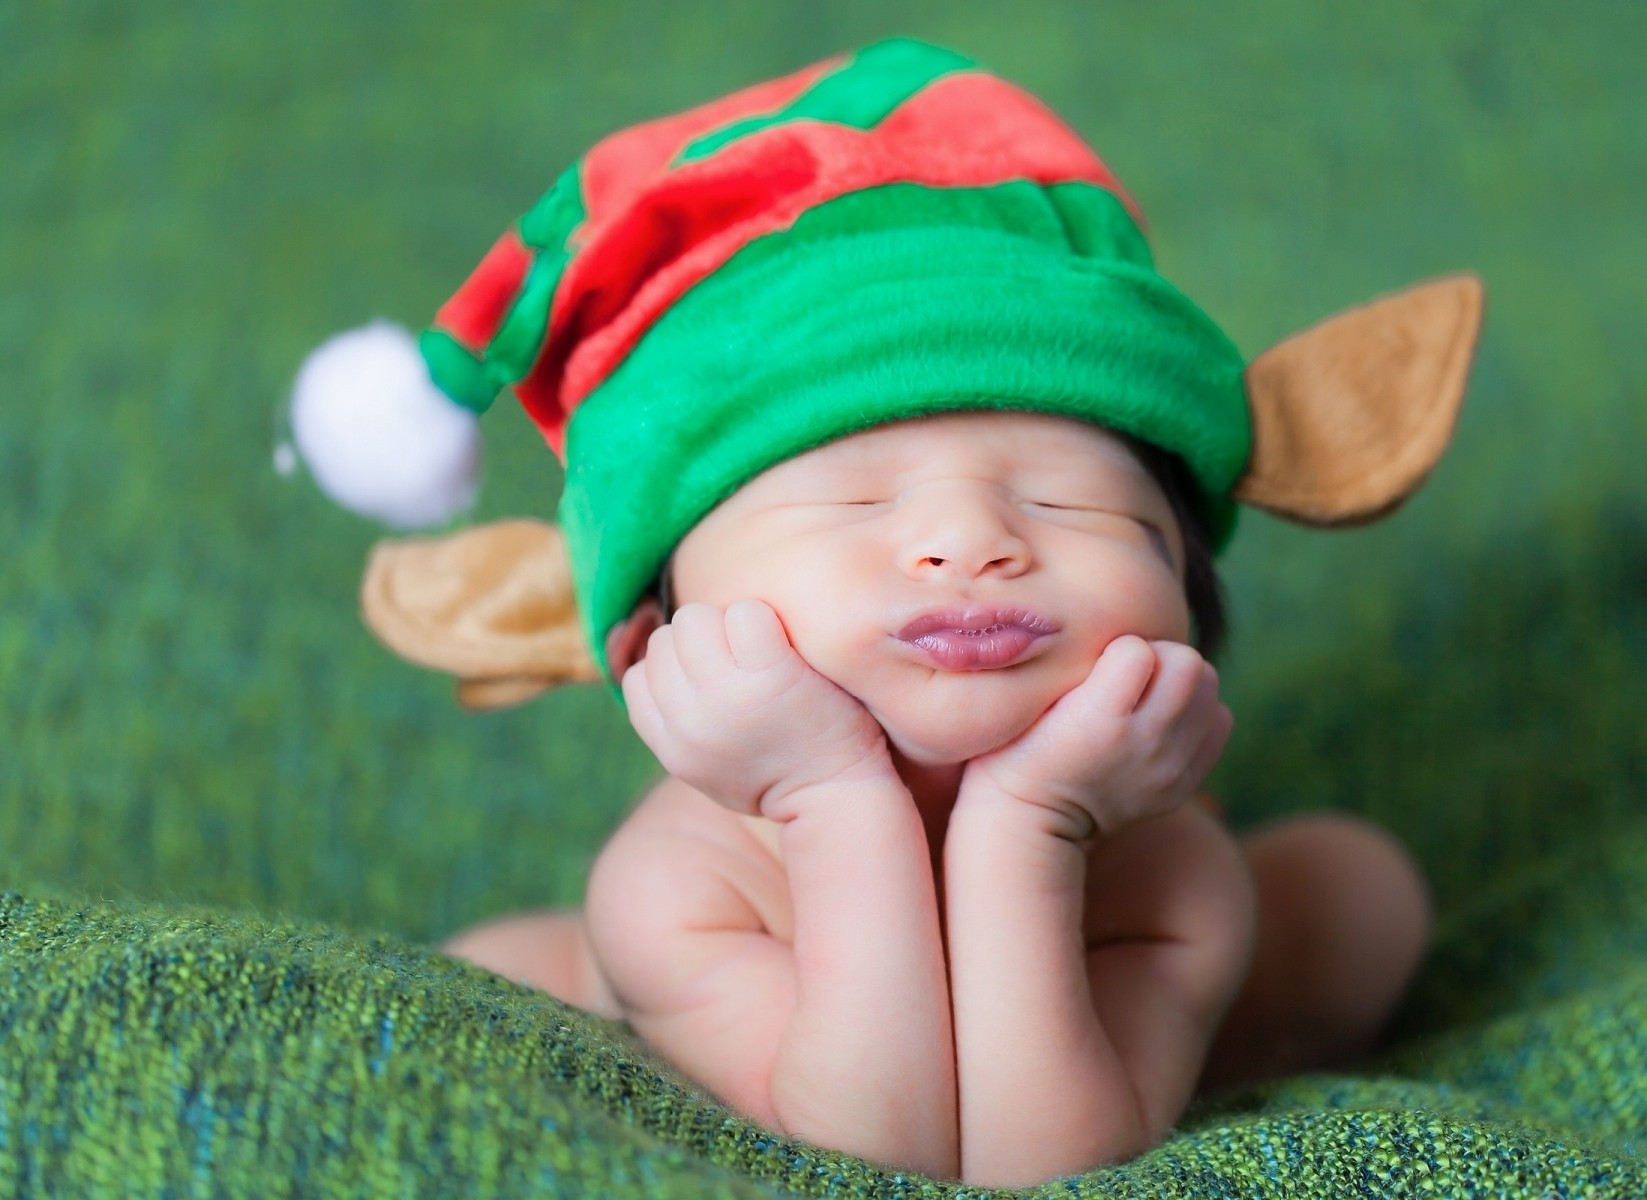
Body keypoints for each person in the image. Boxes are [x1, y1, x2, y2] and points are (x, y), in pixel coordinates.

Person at [290, 37, 1481, 1188]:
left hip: (1122, 970)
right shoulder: (679, 886)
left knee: (1356, 889)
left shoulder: (1170, 871)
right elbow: (877, 1157)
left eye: (1075, 504)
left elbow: (1038, 1160)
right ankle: (595, 991)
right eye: (848, 500)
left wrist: (1036, 820)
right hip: (713, 1028)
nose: (972, 540)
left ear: (1192, 610)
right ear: (658, 649)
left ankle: (1231, 1033)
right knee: (490, 978)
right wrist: (830, 798)